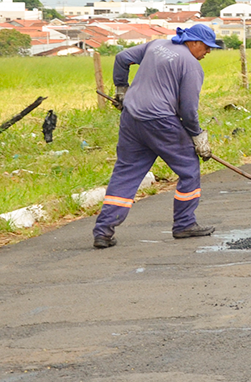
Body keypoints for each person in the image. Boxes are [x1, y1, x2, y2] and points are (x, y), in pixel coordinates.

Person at [92, 23, 220, 248]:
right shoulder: (191, 65)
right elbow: (188, 109)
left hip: (131, 118)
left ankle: (103, 232)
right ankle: (184, 224)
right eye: (207, 47)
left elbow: (122, 58)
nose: (208, 52)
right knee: (189, 168)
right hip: (160, 121)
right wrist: (197, 136)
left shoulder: (156, 45)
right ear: (194, 42)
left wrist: (121, 89)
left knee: (126, 172)